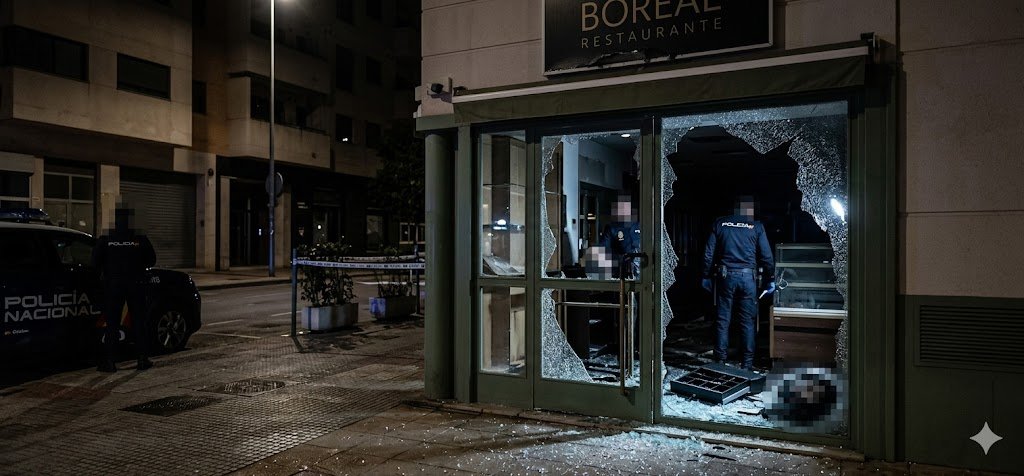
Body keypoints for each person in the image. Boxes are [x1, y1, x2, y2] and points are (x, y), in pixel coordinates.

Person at [701, 196, 775, 370]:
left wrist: (705, 275)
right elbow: (766, 256)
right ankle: (747, 363)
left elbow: (708, 253)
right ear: (749, 210)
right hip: (748, 279)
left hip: (725, 277)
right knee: (747, 321)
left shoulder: (720, 224)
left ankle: (720, 361)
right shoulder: (756, 226)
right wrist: (770, 278)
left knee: (722, 320)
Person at [92, 206, 156, 372]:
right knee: (139, 322)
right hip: (136, 284)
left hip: (113, 285)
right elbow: (152, 259)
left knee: (112, 323)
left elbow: (95, 261)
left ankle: (110, 361)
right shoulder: (138, 237)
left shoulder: (107, 237)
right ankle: (142, 359)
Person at [599, 195, 641, 279]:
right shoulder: (612, 228)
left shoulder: (641, 226)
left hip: (642, 273)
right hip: (620, 273)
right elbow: (604, 250)